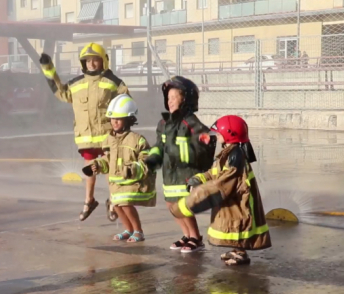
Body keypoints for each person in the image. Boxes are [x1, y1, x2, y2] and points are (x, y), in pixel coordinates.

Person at [39, 43, 130, 222]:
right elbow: (61, 92)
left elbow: (126, 104)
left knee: (111, 170)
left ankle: (113, 200)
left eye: (95, 60)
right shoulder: (76, 83)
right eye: (87, 61)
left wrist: (123, 129)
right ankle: (89, 200)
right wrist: (47, 68)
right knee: (90, 169)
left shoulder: (114, 83)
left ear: (103, 61)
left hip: (108, 136)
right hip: (86, 138)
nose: (91, 64)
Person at [169, 115, 271, 265]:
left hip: (238, 201)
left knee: (238, 225)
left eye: (218, 133)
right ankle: (236, 251)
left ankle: (241, 254)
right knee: (233, 225)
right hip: (233, 201)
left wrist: (188, 203)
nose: (216, 136)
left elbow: (222, 183)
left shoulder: (236, 157)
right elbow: (214, 172)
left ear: (230, 134)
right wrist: (199, 178)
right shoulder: (228, 153)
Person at [145, 76, 215, 253]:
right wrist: (153, 158)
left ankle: (195, 237)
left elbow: (208, 140)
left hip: (186, 173)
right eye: (168, 98)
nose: (170, 102)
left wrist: (194, 159)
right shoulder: (164, 123)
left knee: (183, 206)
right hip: (169, 173)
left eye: (174, 97)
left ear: (186, 99)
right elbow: (159, 145)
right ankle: (186, 234)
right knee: (171, 205)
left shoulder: (191, 122)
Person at [82, 94, 156, 243]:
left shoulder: (137, 140)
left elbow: (147, 161)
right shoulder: (108, 140)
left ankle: (138, 231)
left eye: (119, 118)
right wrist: (97, 165)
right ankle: (128, 229)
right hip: (115, 183)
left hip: (132, 182)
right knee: (116, 205)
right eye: (112, 118)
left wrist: (132, 169)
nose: (114, 122)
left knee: (125, 203)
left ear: (129, 119)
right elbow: (108, 160)